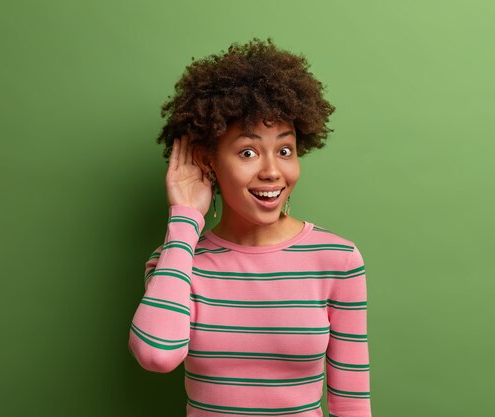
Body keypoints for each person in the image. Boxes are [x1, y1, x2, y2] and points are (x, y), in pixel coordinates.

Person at [129, 37, 372, 417]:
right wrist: (184, 218)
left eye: (285, 150)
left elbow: (352, 402)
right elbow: (155, 355)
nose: (272, 171)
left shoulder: (337, 259)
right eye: (248, 152)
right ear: (207, 161)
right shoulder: (175, 262)